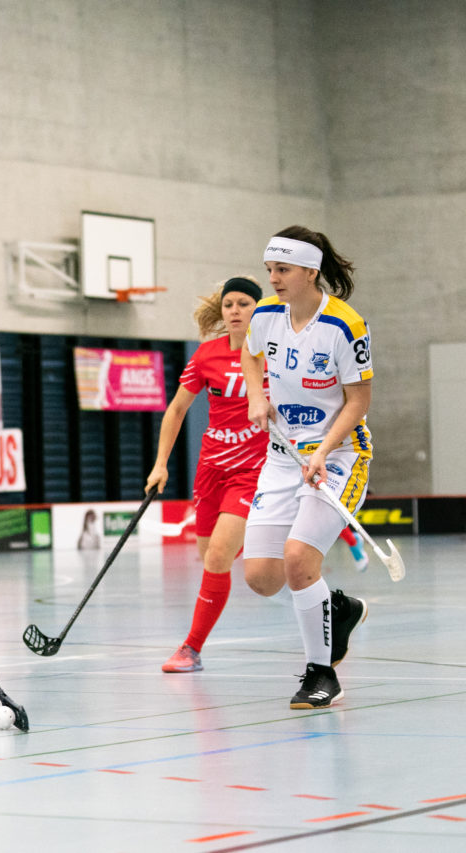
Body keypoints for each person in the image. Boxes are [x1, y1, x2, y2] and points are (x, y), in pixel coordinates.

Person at [242, 226, 372, 709]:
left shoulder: (345, 326)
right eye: (270, 269)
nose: (273, 278)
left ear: (310, 272)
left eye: (283, 270)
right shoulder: (266, 316)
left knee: (298, 560)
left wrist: (322, 451)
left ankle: (321, 674)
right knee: (262, 576)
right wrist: (257, 395)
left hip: (339, 455)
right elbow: (250, 354)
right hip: (281, 459)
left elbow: (359, 400)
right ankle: (337, 607)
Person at [147, 276, 268, 673]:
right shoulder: (206, 355)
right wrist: (160, 463)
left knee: (218, 556)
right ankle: (266, 542)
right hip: (211, 468)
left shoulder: (275, 355)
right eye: (229, 304)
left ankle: (190, 649)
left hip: (251, 471)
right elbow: (177, 410)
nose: (235, 310)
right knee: (211, 558)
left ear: (259, 309)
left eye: (244, 304)